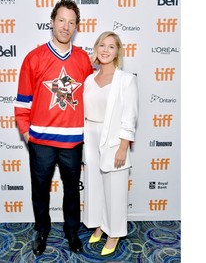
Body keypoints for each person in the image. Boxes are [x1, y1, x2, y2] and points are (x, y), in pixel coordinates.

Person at [14, 0, 94, 256]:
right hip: (41, 140)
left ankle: (72, 231)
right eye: (61, 20)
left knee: (72, 190)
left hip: (72, 140)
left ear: (76, 27)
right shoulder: (34, 58)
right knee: (40, 189)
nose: (66, 26)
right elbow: (23, 100)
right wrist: (26, 131)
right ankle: (42, 230)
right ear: (52, 22)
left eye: (71, 22)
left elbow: (94, 97)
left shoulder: (83, 59)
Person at [82, 31, 139, 256]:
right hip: (91, 136)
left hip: (114, 139)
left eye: (111, 46)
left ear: (118, 52)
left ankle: (113, 233)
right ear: (96, 49)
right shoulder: (89, 79)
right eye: (102, 45)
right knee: (95, 185)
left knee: (114, 189)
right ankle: (98, 224)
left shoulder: (126, 80)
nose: (105, 50)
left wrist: (123, 147)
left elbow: (130, 116)